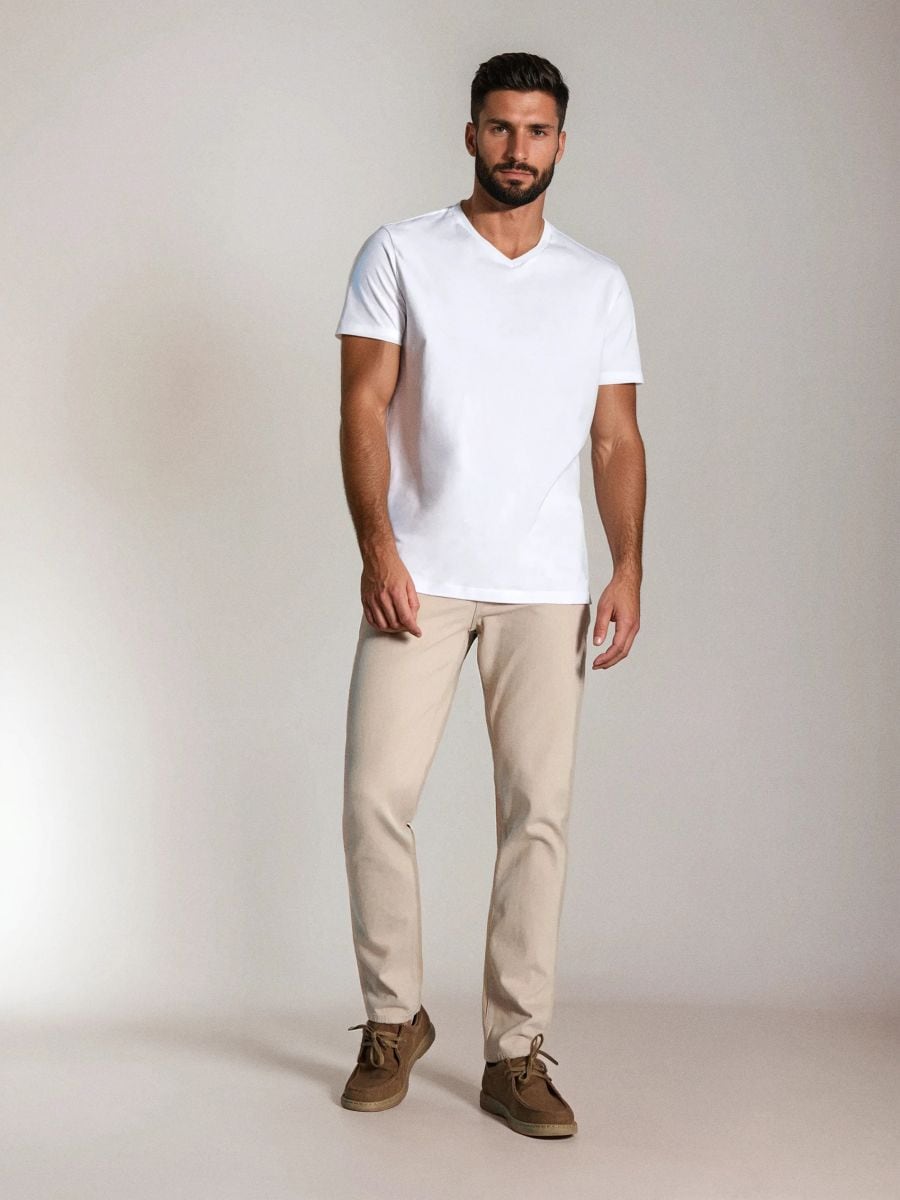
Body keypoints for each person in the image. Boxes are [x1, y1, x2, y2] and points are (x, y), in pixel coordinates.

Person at [333, 50, 646, 1138]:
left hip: (545, 587)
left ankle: (515, 1054)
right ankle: (393, 1020)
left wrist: (628, 565)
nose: (519, 148)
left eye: (538, 130)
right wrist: (379, 548)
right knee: (375, 797)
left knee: (536, 817)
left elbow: (616, 436)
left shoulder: (596, 283)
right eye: (501, 127)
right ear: (471, 134)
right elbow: (361, 406)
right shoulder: (401, 252)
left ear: (562, 142)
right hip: (418, 576)